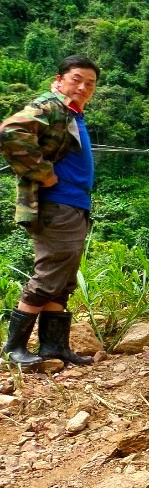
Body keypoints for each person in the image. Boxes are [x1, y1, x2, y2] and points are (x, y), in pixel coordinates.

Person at [1, 55, 99, 367]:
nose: (83, 87)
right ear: (58, 80)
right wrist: (43, 172)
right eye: (76, 79)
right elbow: (10, 131)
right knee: (50, 275)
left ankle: (54, 347)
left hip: (74, 204)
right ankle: (14, 349)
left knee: (64, 277)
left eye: (90, 83)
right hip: (56, 203)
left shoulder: (72, 115)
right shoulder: (52, 105)